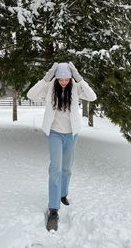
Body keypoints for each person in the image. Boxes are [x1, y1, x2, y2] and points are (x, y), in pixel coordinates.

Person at [27, 62, 97, 231]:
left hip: (72, 134)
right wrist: (47, 77)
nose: (64, 82)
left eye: (67, 78)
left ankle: (63, 193)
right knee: (55, 169)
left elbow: (92, 96)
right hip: (55, 133)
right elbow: (31, 94)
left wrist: (79, 78)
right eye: (61, 79)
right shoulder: (50, 87)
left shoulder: (76, 87)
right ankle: (53, 209)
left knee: (67, 168)